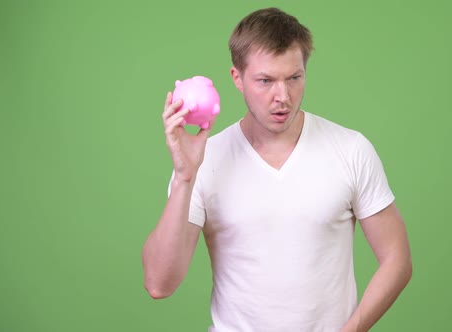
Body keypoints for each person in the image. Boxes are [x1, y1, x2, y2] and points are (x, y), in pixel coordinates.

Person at [142, 7, 412, 332]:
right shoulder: (205, 161)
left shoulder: (351, 149)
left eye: (294, 78)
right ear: (237, 78)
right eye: (266, 81)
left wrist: (350, 330)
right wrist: (185, 176)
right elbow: (159, 283)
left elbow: (397, 260)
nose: (282, 97)